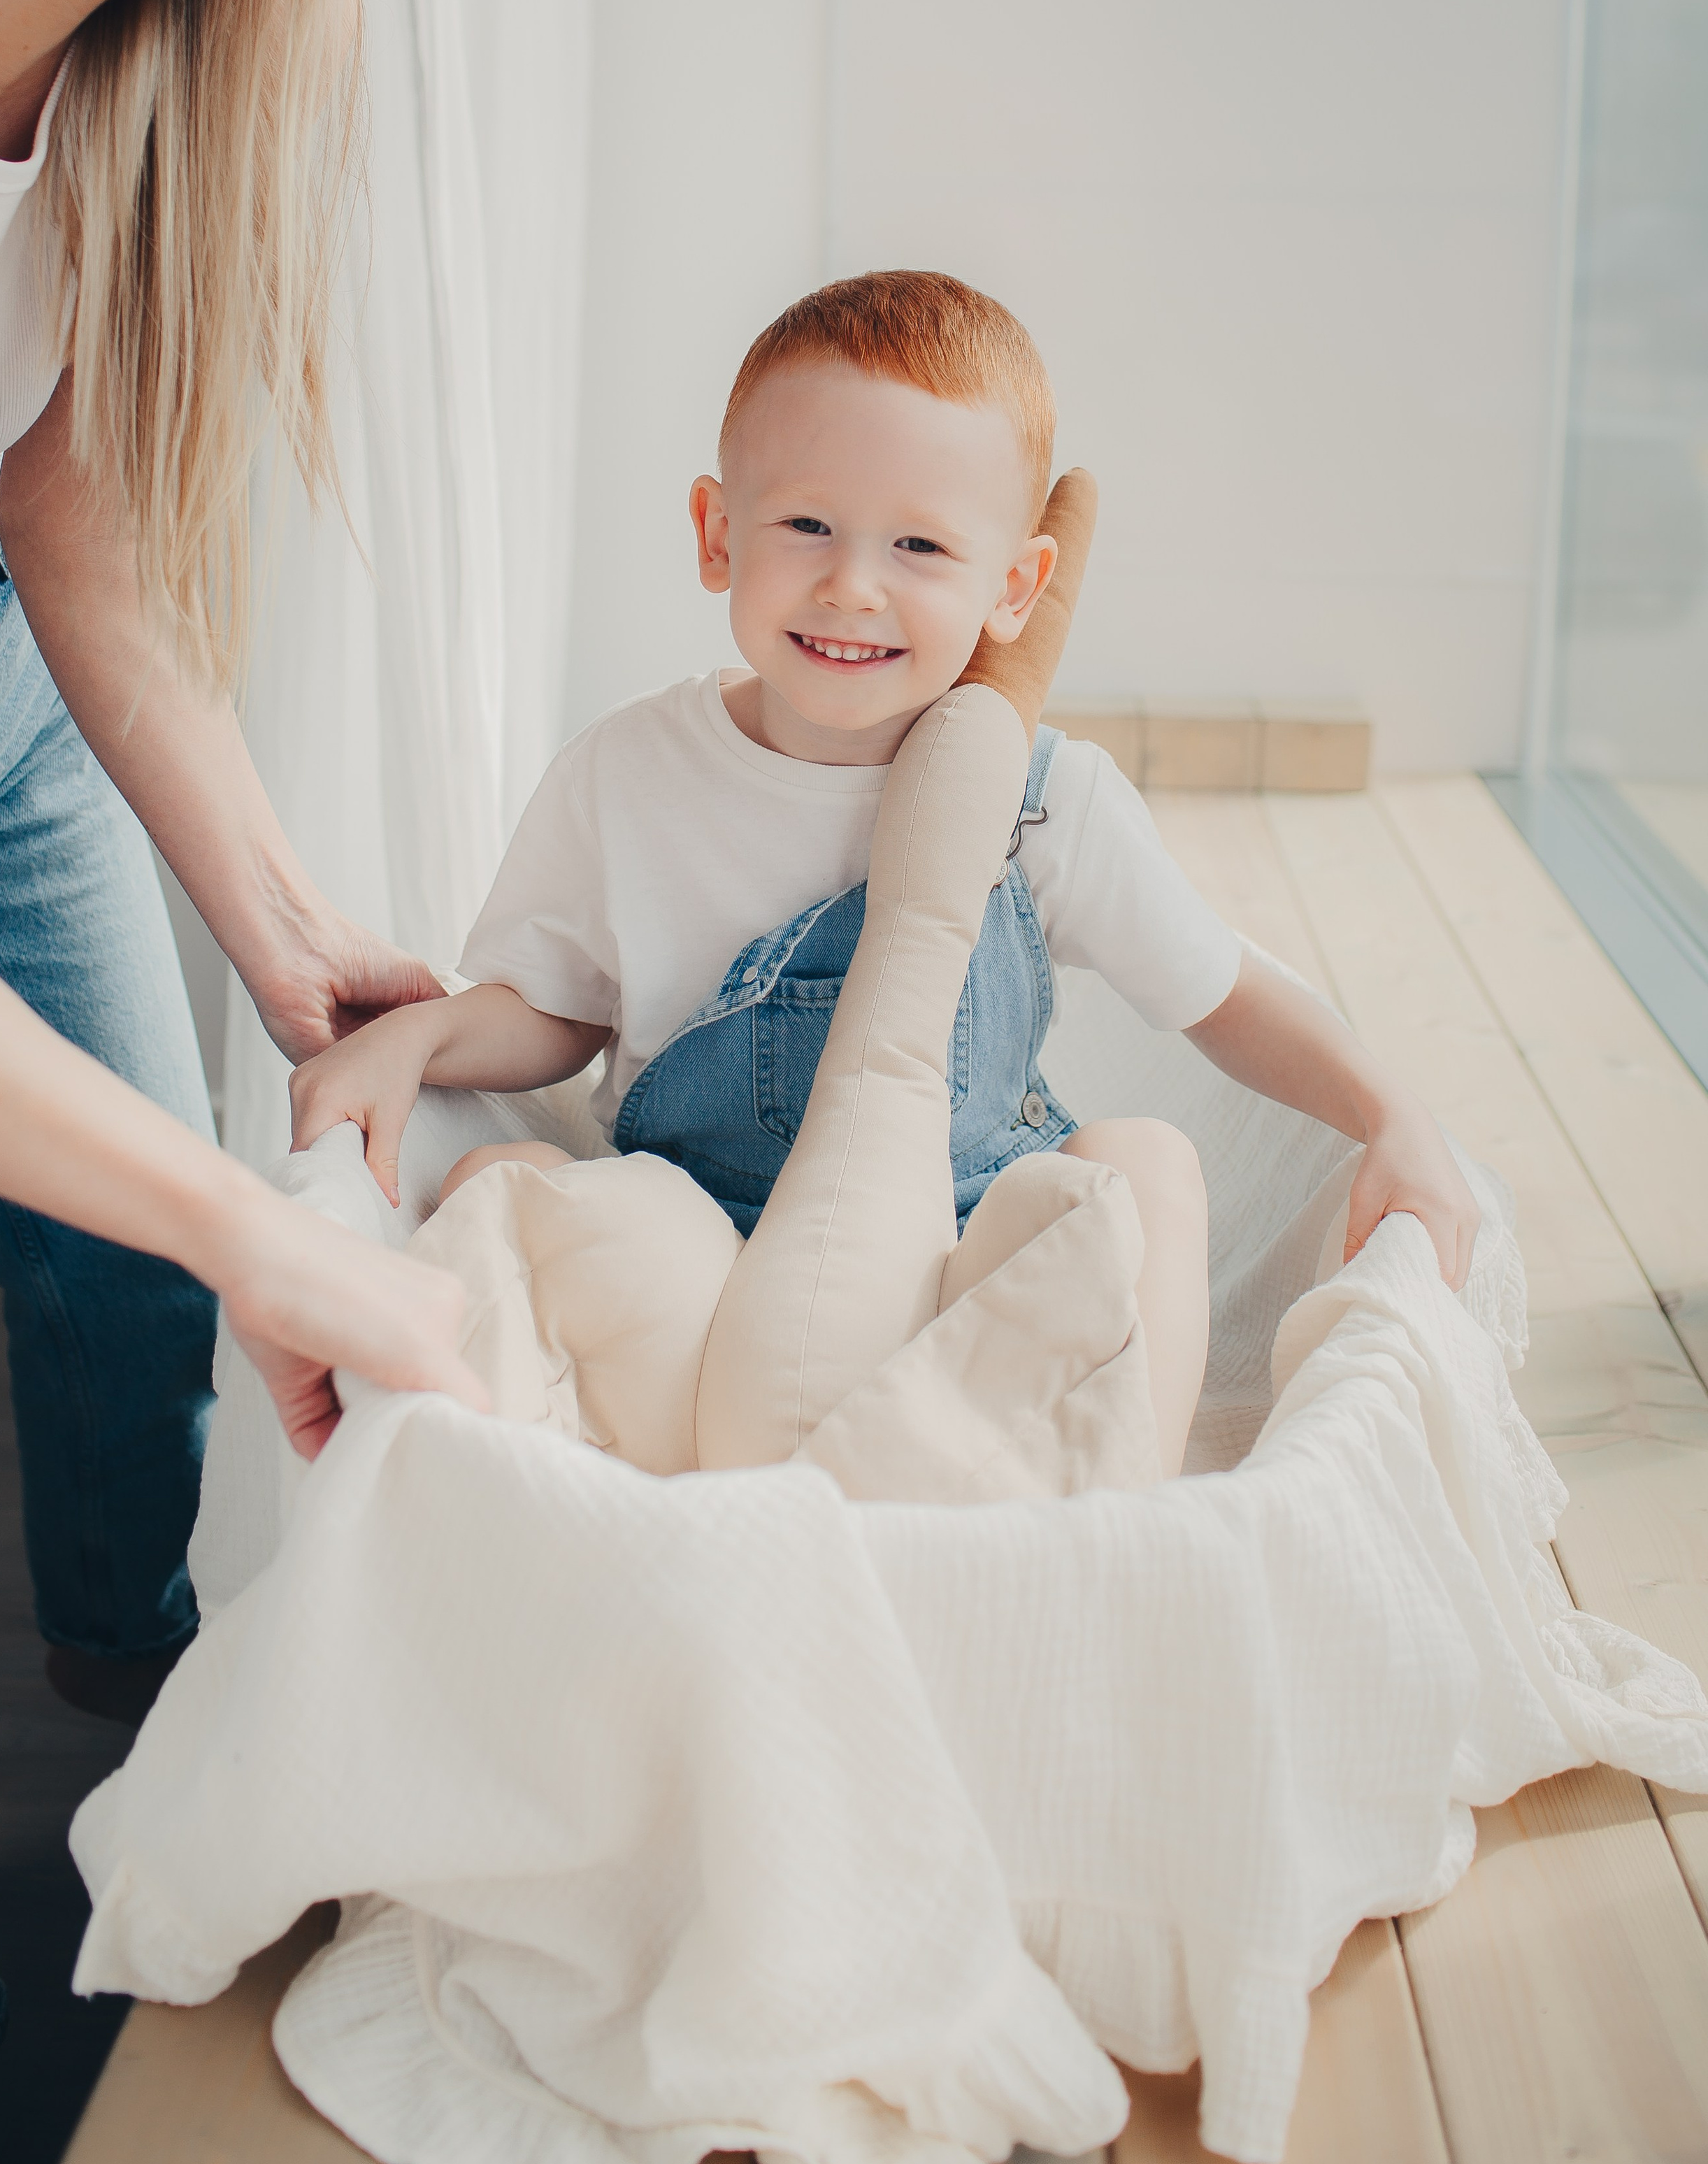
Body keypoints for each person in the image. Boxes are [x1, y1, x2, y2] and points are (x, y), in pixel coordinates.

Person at [0, 0, 482, 2145]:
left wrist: (283, 941)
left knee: (142, 1304)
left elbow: (69, 521)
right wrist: (246, 1210)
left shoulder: (127, 30)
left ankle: (158, 1782)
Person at [289, 271, 1482, 1475]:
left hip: (965, 1273)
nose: (853, 582)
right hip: (700, 1256)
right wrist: (421, 1040)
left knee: (1144, 1174)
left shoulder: (1042, 797)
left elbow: (1225, 995)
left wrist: (1391, 1115)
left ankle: (1094, 1519)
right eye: (806, 524)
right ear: (716, 532)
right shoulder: (631, 773)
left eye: (919, 544)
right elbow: (551, 1012)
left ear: (1014, 587)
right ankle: (673, 1485)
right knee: (508, 1185)